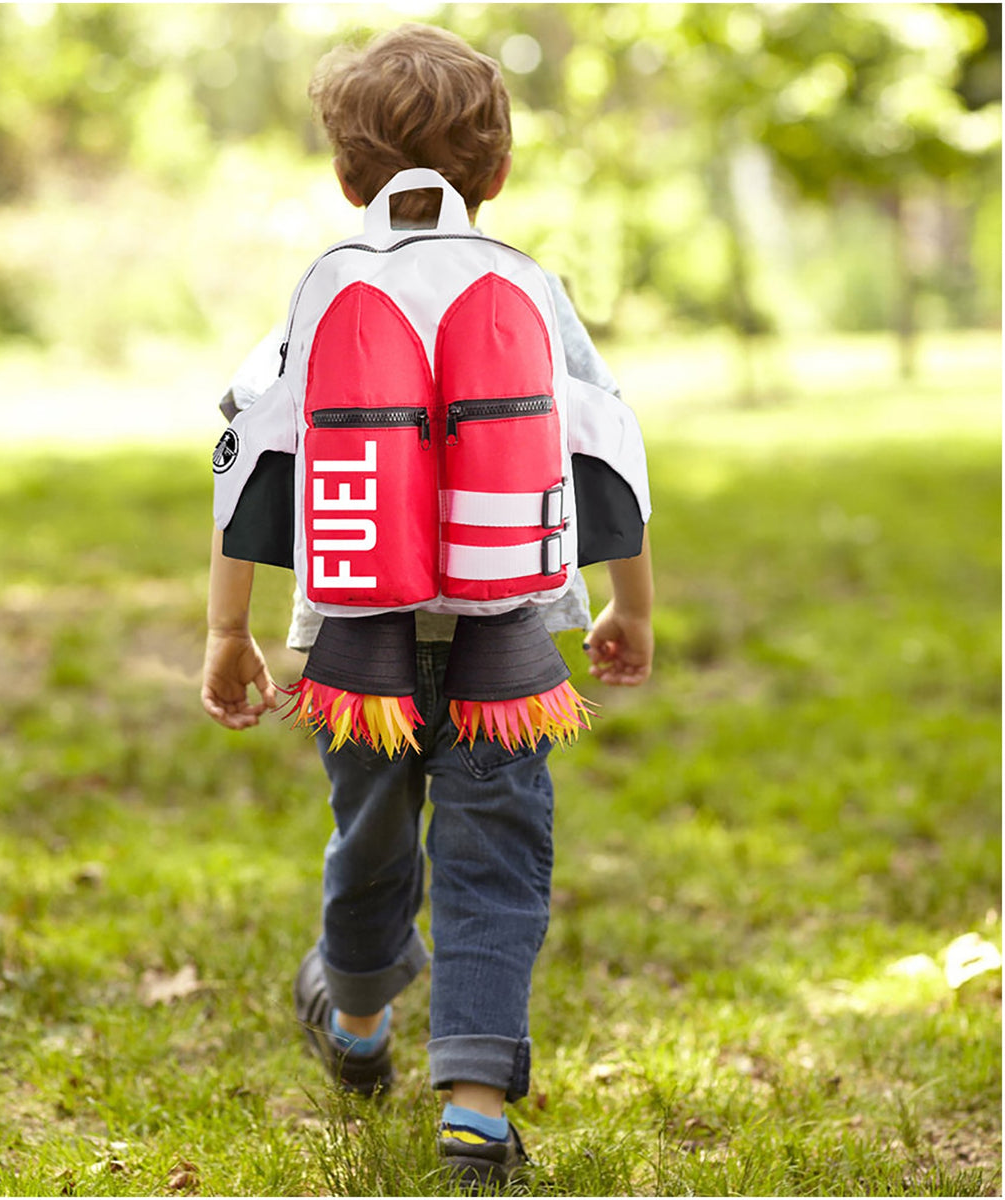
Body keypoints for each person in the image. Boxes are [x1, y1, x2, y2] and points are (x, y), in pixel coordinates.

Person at [201, 23, 654, 1190]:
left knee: (370, 841)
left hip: (358, 652)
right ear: (497, 172)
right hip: (510, 650)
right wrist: (629, 607)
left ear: (345, 178)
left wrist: (228, 631)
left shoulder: (326, 290)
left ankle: (357, 1023)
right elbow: (610, 446)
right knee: (496, 861)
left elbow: (249, 458)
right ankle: (475, 1111)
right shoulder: (527, 285)